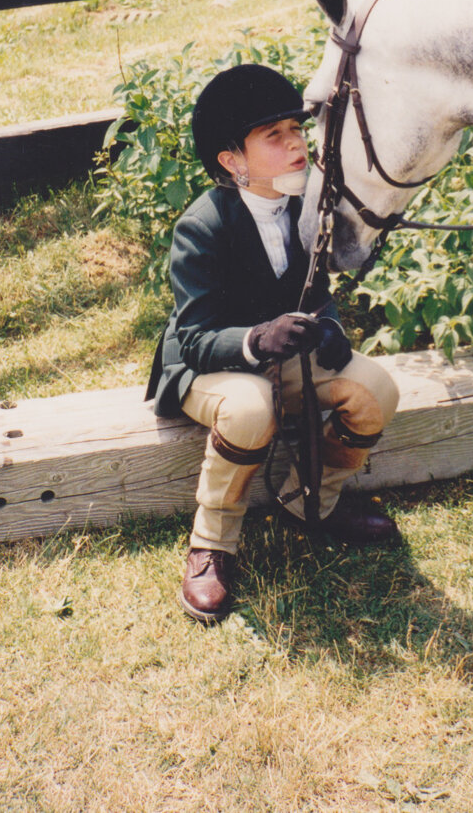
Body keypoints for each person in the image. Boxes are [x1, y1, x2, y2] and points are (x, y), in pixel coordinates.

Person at [146, 64, 400, 624]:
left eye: (297, 129)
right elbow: (194, 338)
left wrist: (328, 326)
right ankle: (211, 544)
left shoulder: (307, 207)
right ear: (231, 161)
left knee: (377, 388)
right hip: (206, 365)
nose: (296, 146)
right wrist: (259, 338)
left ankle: (309, 501)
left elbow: (319, 292)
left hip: (281, 355)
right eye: (274, 137)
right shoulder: (201, 226)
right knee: (250, 407)